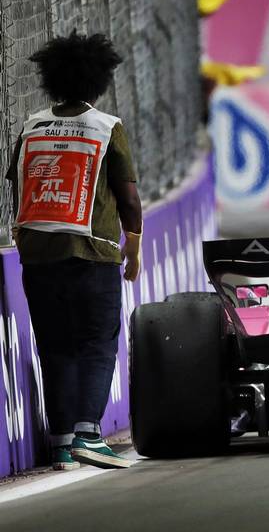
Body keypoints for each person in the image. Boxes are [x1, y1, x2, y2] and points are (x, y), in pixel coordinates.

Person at [6, 33, 142, 470]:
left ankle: (62, 443)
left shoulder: (31, 125)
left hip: (37, 253)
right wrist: (133, 249)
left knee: (55, 346)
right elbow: (130, 199)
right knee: (98, 343)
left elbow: (19, 186)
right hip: (92, 253)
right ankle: (88, 432)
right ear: (97, 80)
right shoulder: (106, 127)